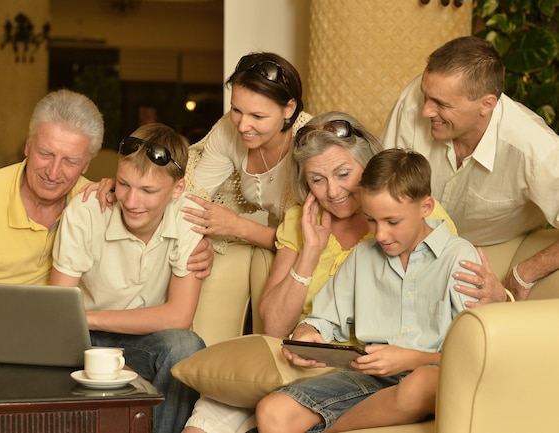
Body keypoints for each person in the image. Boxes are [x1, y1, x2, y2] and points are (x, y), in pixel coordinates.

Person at [182, 113, 456, 433]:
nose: (333, 191)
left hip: (383, 367)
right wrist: (310, 251)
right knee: (204, 423)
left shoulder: (411, 210)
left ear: (369, 167)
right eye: (317, 179)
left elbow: (450, 299)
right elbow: (275, 325)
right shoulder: (302, 220)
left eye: (343, 174)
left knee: (276, 414)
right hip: (306, 366)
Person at [0, 90, 212, 394]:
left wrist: (202, 244)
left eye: (70, 160)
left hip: (40, 346)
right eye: (45, 153)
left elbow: (139, 196)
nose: (53, 172)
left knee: (176, 348)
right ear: (27, 145)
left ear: (88, 164)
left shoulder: (94, 200)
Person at [90, 52, 312, 344]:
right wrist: (128, 188)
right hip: (277, 234)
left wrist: (236, 227)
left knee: (265, 265)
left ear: (289, 109)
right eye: (237, 110)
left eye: (257, 116)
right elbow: (191, 193)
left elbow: (313, 236)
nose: (243, 125)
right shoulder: (229, 131)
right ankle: (206, 370)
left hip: (309, 241)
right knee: (202, 258)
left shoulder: (309, 142)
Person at [255, 148, 480, 432]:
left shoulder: (459, 257)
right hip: (370, 376)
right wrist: (307, 335)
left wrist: (413, 358)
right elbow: (323, 319)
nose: (381, 234)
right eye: (371, 220)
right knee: (272, 411)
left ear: (425, 207)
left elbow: (477, 351)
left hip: (434, 373)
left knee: (419, 384)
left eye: (392, 222)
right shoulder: (363, 255)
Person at [50, 123, 206, 433]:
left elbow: (180, 315)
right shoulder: (87, 210)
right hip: (83, 339)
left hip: (136, 338)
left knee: (185, 346)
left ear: (177, 190)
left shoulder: (190, 216)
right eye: (124, 184)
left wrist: (88, 317)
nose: (132, 201)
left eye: (148, 191)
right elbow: (59, 313)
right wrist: (84, 326)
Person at [380, 35, 559, 302]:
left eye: (441, 104)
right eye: (425, 95)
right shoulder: (414, 102)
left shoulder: (536, 149)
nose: (426, 111)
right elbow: (382, 192)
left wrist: (524, 272)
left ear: (486, 104)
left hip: (489, 254)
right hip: (404, 245)